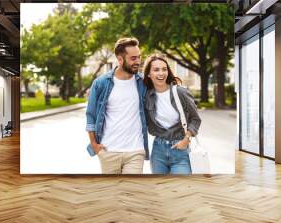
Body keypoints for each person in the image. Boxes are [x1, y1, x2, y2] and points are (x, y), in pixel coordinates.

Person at [85, 37, 148, 174]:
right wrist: (95, 145)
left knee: (131, 193)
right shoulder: (101, 83)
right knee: (111, 194)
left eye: (139, 57)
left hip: (135, 151)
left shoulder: (143, 82)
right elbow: (91, 115)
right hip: (108, 151)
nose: (138, 62)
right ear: (120, 59)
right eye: (133, 58)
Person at [143, 53, 201, 174]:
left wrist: (186, 139)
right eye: (156, 70)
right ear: (149, 74)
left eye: (164, 69)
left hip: (180, 149)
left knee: (180, 188)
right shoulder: (147, 96)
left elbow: (195, 119)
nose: (161, 73)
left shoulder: (180, 92)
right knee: (160, 189)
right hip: (158, 150)